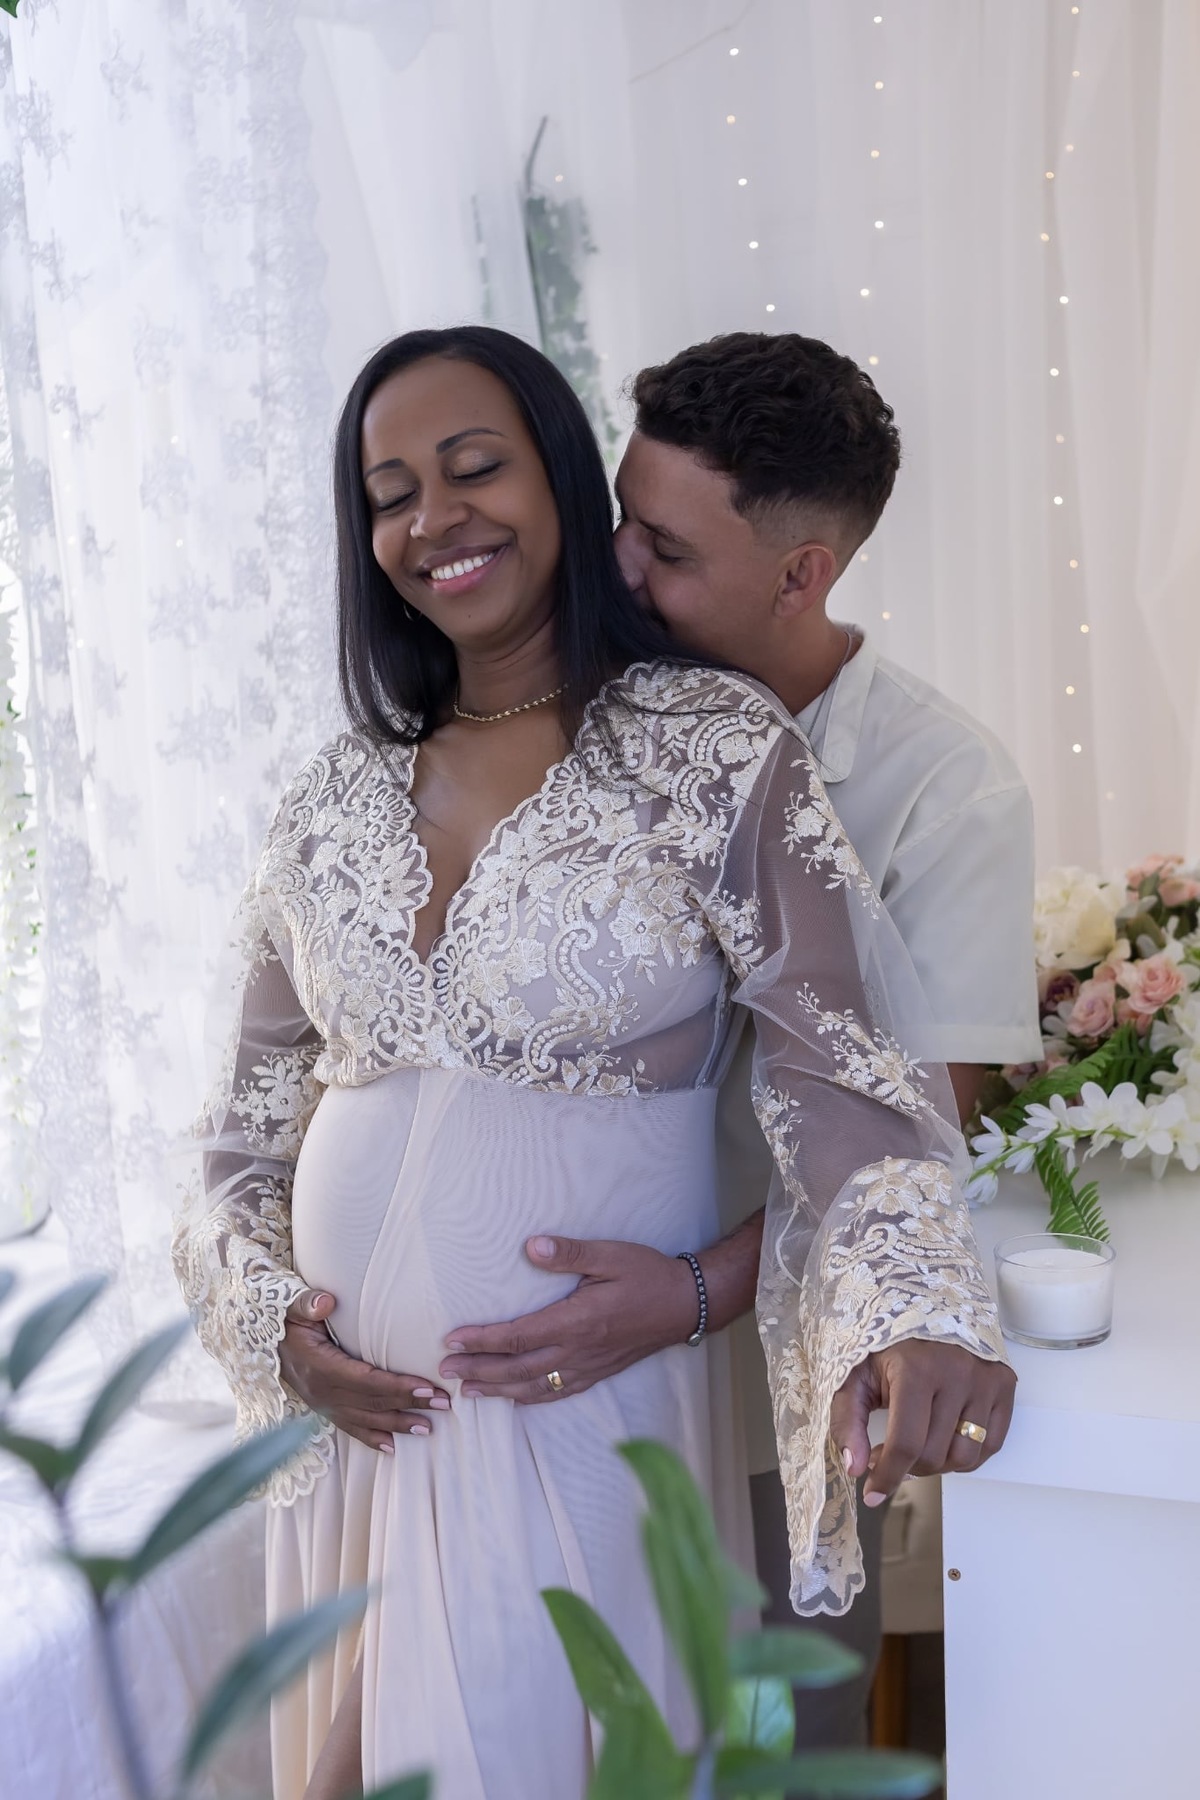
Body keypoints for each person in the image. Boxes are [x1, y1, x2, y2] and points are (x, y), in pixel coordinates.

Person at [174, 325, 1007, 1800]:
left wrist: (921, 1310)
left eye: (474, 465)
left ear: (560, 479)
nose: (432, 515)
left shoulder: (716, 748)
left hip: (572, 1412)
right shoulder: (329, 789)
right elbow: (237, 1134)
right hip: (356, 1443)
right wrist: (273, 1328)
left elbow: (849, 1083)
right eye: (387, 491)